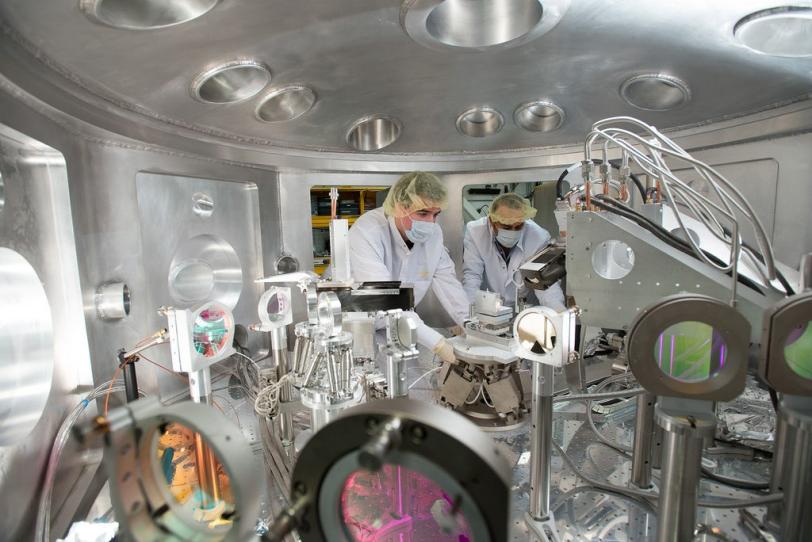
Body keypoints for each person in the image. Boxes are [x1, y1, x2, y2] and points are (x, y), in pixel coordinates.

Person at [348, 172, 468, 363]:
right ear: (399, 207)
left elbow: (449, 283)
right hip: (358, 329)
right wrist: (439, 344)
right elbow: (387, 300)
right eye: (423, 213)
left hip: (400, 327)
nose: (430, 222)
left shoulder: (434, 234)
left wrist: (468, 324)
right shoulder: (368, 231)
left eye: (435, 214)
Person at [463, 193, 566, 311]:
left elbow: (545, 284)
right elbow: (472, 276)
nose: (512, 231)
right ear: (492, 221)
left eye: (518, 227)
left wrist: (558, 312)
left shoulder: (538, 237)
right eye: (506, 227)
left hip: (523, 310)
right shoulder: (476, 232)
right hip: (488, 308)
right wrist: (467, 314)